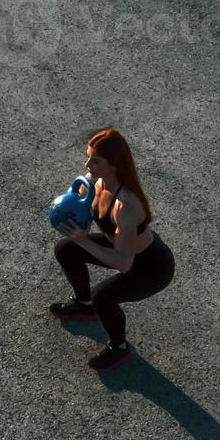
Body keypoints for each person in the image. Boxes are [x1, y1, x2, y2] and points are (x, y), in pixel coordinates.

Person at [50, 128, 175, 371]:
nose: (88, 164)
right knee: (66, 249)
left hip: (150, 267)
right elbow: (81, 203)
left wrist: (84, 239)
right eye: (88, 157)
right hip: (121, 248)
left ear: (114, 164)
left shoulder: (126, 206)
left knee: (103, 296)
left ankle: (119, 348)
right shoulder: (96, 181)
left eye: (95, 160)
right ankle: (83, 305)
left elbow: (123, 264)